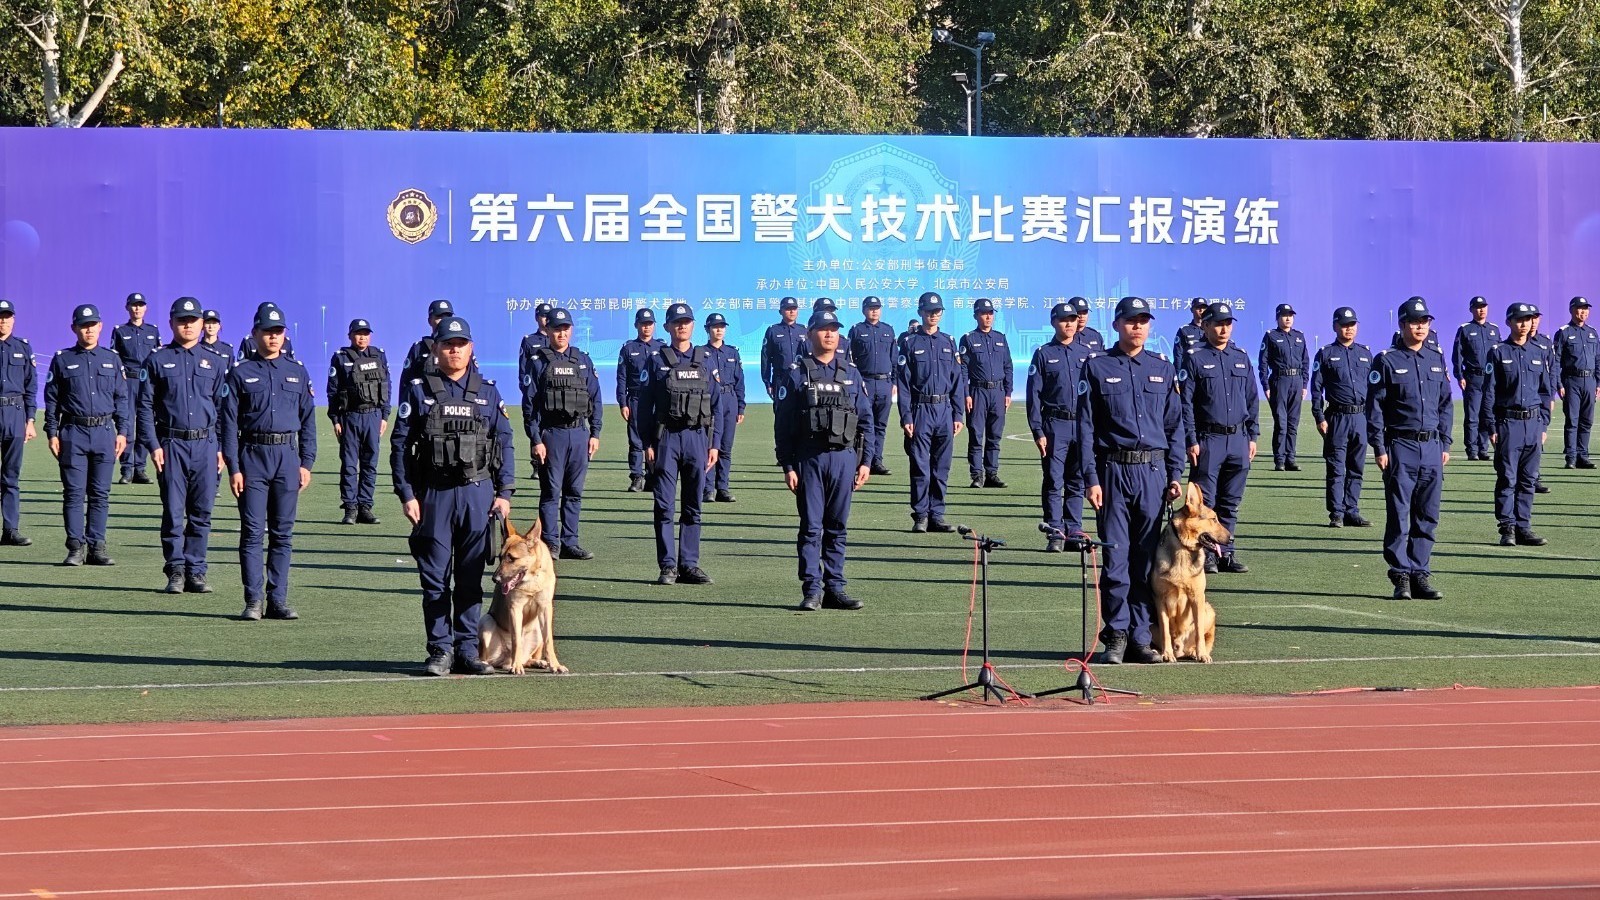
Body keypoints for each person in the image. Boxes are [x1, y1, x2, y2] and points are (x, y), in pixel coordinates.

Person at [391, 315, 515, 676]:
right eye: (448, 344)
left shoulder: (487, 392)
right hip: (434, 495)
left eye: (461, 344)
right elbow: (400, 446)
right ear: (436, 349)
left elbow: (505, 443)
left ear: (471, 348)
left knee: (470, 576)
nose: (455, 350)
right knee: (434, 578)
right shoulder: (419, 390)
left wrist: (505, 492)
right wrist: (406, 494)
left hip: (478, 494)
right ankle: (440, 650)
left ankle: (467, 650)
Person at [1076, 296, 1185, 665]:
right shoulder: (1097, 366)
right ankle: (1117, 634)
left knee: (1146, 559)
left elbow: (1174, 426)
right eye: (1130, 320)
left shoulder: (1162, 368)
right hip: (1112, 472)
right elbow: (1086, 428)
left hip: (1152, 474)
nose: (1137, 327)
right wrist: (1091, 478)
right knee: (1115, 558)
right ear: (1116, 325)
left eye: (1143, 321)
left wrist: (1174, 474)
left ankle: (1141, 636)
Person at [220, 305, 317, 621]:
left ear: (284, 334)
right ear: (255, 334)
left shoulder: (297, 371)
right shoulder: (240, 373)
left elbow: (308, 420)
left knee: (282, 534)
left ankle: (278, 601)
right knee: (252, 533)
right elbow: (228, 424)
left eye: (278, 331)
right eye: (267, 331)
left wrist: (306, 463)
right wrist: (234, 468)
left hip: (287, 457)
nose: (273, 337)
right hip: (253, 458)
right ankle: (253, 601)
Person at [775, 309, 871, 610]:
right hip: (810, 458)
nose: (830, 334)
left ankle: (835, 589)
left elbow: (866, 421)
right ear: (810, 334)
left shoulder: (851, 373)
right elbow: (783, 424)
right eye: (823, 329)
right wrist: (788, 465)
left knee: (837, 526)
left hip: (844, 459)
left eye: (834, 329)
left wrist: (866, 462)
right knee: (811, 527)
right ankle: (812, 590)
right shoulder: (797, 373)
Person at [138, 297, 228, 594]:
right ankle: (175, 570)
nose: (187, 325)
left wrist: (221, 448)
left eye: (193, 320)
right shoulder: (156, 360)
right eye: (182, 320)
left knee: (202, 513)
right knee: (174, 513)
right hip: (171, 444)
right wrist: (153, 445)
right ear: (171, 323)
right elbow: (144, 407)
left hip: (206, 445)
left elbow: (223, 409)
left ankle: (196, 571)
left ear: (202, 324)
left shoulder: (216, 362)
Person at [1367, 296, 1452, 600]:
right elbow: (1375, 408)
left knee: (1427, 515)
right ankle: (1400, 574)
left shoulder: (1435, 357)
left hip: (1432, 447)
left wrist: (1445, 441)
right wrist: (1379, 447)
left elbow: (1445, 404)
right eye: (1415, 322)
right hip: (1400, 445)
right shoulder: (1387, 360)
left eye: (1424, 321)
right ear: (1402, 325)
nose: (1420, 327)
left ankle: (1420, 573)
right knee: (1399, 514)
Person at [639, 303, 720, 586]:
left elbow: (717, 405)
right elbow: (643, 406)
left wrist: (714, 445)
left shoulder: (705, 359)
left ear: (693, 326)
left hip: (697, 438)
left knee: (693, 505)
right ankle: (668, 566)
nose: (681, 326)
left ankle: (689, 565)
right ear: (667, 327)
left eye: (686, 321)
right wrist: (647, 443)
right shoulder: (656, 360)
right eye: (676, 322)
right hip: (667, 439)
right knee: (664, 506)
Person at [43, 304, 129, 566]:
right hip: (73, 432)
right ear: (74, 328)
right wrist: (52, 432)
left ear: (100, 327)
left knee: (100, 493)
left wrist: (123, 432)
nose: (88, 330)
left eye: (93, 325)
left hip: (104, 432)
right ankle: (75, 547)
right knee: (73, 493)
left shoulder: (112, 359)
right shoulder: (63, 359)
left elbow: (122, 398)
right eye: (83, 325)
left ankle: (97, 547)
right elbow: (51, 400)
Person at [1178, 301, 1258, 573]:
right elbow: (1186, 403)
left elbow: (1251, 398)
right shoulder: (1195, 357)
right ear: (1206, 325)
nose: (1224, 329)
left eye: (1228, 324)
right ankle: (1208, 556)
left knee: (1230, 503)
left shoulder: (1240, 356)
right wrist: (1191, 439)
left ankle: (1226, 555)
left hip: (1238, 438)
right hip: (1208, 440)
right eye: (1218, 324)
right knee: (1206, 504)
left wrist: (1252, 435)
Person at [523, 306, 601, 560]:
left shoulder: (582, 360)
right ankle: (550, 543)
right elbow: (530, 405)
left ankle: (570, 542)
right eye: (557, 328)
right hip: (552, 435)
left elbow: (595, 398)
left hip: (579, 434)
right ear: (548, 330)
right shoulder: (538, 362)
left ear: (571, 330)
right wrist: (536, 439)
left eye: (566, 328)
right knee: (550, 492)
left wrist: (595, 433)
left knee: (574, 492)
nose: (561, 333)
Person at [1025, 302, 1094, 552]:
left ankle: (1074, 530)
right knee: (1054, 480)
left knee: (1077, 481)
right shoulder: (1043, 354)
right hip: (1055, 424)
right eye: (1064, 319)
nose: (1069, 324)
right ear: (1054, 322)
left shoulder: (1087, 353)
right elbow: (1034, 395)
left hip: (1082, 425)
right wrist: (1037, 430)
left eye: (1073, 319)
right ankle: (1055, 531)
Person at [896, 291, 966, 533]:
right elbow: (904, 384)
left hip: (944, 410)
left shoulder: (948, 342)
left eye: (937, 311)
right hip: (920, 410)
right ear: (920, 313)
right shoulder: (909, 343)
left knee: (941, 467)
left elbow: (957, 380)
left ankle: (937, 514)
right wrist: (906, 416)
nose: (933, 315)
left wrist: (958, 415)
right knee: (920, 467)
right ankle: (920, 516)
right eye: (929, 311)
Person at [1486, 302, 1551, 548]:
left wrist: (1543, 424)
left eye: (1528, 319)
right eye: (1519, 319)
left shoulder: (1539, 351)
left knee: (1528, 479)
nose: (1524, 324)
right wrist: (1491, 427)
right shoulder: (1498, 352)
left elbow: (1545, 391)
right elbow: (1489, 392)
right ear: (1509, 322)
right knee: (1507, 478)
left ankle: (1523, 526)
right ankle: (1507, 528)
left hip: (1533, 424)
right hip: (1508, 423)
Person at [1310, 306, 1374, 528]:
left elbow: (1374, 389)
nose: (1349, 328)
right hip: (1337, 418)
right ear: (1335, 326)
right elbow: (1316, 389)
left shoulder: (1365, 353)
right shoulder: (1326, 354)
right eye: (1344, 325)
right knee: (1336, 468)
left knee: (1356, 468)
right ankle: (1336, 513)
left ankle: (1351, 510)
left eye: (1352, 324)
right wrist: (1319, 417)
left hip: (1360, 417)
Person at [326, 318, 391, 526]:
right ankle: (350, 508)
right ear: (350, 336)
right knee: (349, 464)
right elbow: (333, 390)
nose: (362, 337)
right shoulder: (341, 357)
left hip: (373, 415)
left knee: (370, 463)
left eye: (365, 333)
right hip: (350, 417)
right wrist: (335, 419)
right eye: (358, 333)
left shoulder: (378, 355)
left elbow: (386, 385)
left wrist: (385, 416)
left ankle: (365, 507)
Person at [960, 297, 1013, 489]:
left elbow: (1008, 366)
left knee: (994, 436)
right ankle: (977, 475)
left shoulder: (1000, 338)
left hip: (998, 392)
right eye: (984, 313)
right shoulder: (968, 339)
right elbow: (963, 369)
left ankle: (992, 474)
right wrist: (966, 394)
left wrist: (1008, 392)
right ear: (976, 316)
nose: (988, 317)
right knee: (976, 435)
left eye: (990, 313)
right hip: (977, 392)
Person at [110, 292, 160, 483]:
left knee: (145, 425)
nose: (137, 308)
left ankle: (140, 468)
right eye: (134, 305)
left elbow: (158, 356)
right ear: (127, 308)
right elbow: (114, 358)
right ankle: (127, 469)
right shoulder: (120, 331)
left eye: (140, 305)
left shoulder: (153, 331)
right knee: (127, 425)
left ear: (145, 308)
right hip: (128, 382)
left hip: (147, 383)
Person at [0, 299, 37, 547]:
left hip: (15, 413)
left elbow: (31, 386)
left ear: (13, 319)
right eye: (0, 316)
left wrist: (30, 420)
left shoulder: (22, 347)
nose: (3, 321)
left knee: (11, 475)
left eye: (7, 316)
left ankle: (10, 529)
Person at [847, 296, 896, 476]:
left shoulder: (888, 330)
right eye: (870, 308)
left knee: (880, 426)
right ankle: (859, 460)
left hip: (884, 383)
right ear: (864, 310)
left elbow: (894, 358)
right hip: (864, 382)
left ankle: (876, 461)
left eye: (877, 308)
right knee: (862, 423)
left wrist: (894, 382)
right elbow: (849, 359)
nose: (874, 311)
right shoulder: (856, 330)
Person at [617, 307, 663, 492]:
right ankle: (637, 477)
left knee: (657, 438)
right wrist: (623, 403)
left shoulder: (662, 348)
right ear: (636, 325)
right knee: (636, 440)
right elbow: (621, 378)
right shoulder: (628, 348)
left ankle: (653, 476)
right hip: (636, 399)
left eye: (650, 324)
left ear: (654, 325)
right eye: (643, 324)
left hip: (658, 401)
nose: (647, 327)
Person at [1259, 303, 1309, 471]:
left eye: (1290, 315)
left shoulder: (1299, 336)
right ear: (1278, 317)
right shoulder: (1271, 336)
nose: (1288, 318)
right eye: (1284, 315)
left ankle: (1290, 459)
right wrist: (1266, 385)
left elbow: (1305, 361)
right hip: (1279, 381)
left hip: (1297, 381)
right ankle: (1279, 460)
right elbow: (1263, 362)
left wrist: (1304, 384)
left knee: (1293, 424)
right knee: (1281, 423)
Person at [701, 312, 745, 503]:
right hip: (709, 400)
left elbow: (739, 380)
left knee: (726, 447)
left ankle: (723, 488)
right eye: (715, 327)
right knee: (709, 445)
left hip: (729, 400)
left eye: (722, 327)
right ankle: (707, 488)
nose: (719, 330)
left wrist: (741, 406)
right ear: (707, 329)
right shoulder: (701, 353)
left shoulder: (732, 352)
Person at [1451, 296, 1500, 461]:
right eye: (1478, 307)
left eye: (1484, 306)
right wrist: (1459, 375)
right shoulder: (1465, 329)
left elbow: (1500, 353)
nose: (1481, 310)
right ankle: (1472, 450)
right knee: (1472, 415)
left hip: (1490, 378)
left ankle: (1483, 449)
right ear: (1471, 310)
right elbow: (1457, 355)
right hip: (1473, 377)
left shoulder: (1494, 329)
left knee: (1488, 413)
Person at [1555, 295, 1598, 468]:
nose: (1583, 312)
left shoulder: (1592, 332)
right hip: (1572, 381)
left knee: (1587, 421)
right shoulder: (1564, 332)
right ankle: (1571, 457)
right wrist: (1559, 384)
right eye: (1580, 308)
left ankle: (1583, 456)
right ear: (1571, 310)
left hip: (1590, 381)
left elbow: (1598, 359)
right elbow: (1556, 361)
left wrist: (1598, 383)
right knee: (1572, 420)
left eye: (1586, 309)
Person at [398, 299, 456, 387]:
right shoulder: (419, 348)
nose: (444, 320)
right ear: (429, 321)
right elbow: (405, 383)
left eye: (448, 316)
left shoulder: (462, 347)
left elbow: (472, 379)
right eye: (439, 317)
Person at [759, 296, 806, 399]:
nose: (792, 312)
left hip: (801, 378)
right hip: (781, 378)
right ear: (781, 311)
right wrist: (767, 383)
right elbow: (765, 358)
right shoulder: (773, 331)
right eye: (788, 309)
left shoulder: (804, 330)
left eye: (794, 308)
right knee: (781, 408)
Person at [1530, 313, 1556, 492]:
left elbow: (1552, 371)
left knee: (1537, 441)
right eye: (1528, 318)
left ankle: (1533, 478)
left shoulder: (1545, 343)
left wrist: (1551, 397)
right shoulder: (1506, 347)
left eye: (1535, 318)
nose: (1532, 322)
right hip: (1516, 404)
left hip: (1539, 401)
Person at [515, 302, 554, 401]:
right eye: (544, 316)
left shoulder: (558, 339)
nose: (547, 319)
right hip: (535, 391)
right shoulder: (529, 340)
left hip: (554, 390)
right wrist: (526, 390)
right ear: (536, 318)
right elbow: (523, 368)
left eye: (549, 316)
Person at [1172, 297, 1208, 369]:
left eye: (1204, 308)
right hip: (1189, 369)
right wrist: (1178, 372)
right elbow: (1178, 354)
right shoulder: (1184, 330)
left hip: (1208, 369)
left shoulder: (1211, 328)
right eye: (1198, 307)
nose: (1201, 310)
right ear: (1192, 310)